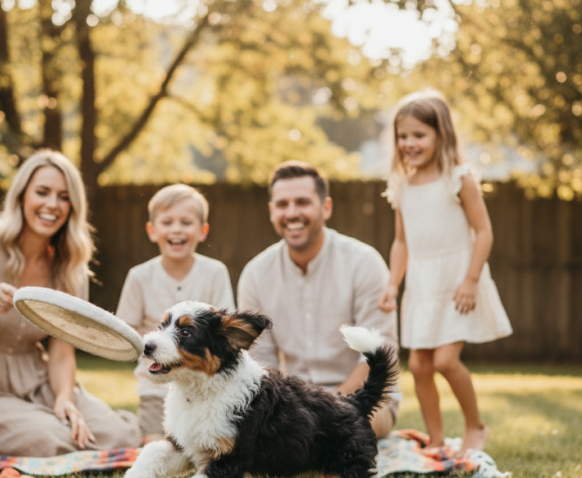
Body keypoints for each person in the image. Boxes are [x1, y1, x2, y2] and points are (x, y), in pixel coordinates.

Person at [0, 149, 141, 457]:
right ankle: (35, 427)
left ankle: (58, 416)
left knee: (118, 434)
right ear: (22, 196)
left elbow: (62, 351)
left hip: (35, 380)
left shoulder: (70, 267)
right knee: (51, 438)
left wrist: (64, 399)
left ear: (73, 206)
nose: (52, 204)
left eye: (64, 197)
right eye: (42, 192)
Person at [378, 89, 511, 455]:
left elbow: (484, 231)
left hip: (457, 281)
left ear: (441, 134)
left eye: (419, 135)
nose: (409, 143)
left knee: (445, 360)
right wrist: (393, 284)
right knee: (419, 365)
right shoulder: (402, 184)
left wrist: (470, 280)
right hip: (422, 284)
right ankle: (436, 440)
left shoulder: (459, 178)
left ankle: (476, 425)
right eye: (403, 136)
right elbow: (401, 242)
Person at [237, 160, 400, 439]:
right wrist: (289, 410)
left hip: (364, 399)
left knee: (340, 433)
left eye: (302, 202)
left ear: (326, 208)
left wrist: (326, 409)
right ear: (272, 211)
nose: (292, 213)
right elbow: (258, 362)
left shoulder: (364, 263)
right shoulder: (255, 273)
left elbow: (378, 352)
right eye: (282, 204)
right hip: (291, 403)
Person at [115, 184, 235, 438]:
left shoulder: (215, 273)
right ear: (152, 230)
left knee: (207, 447)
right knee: (155, 442)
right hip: (155, 390)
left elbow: (223, 332)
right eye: (167, 222)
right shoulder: (139, 277)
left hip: (203, 390)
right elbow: (125, 332)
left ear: (202, 231)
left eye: (186, 222)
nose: (177, 229)